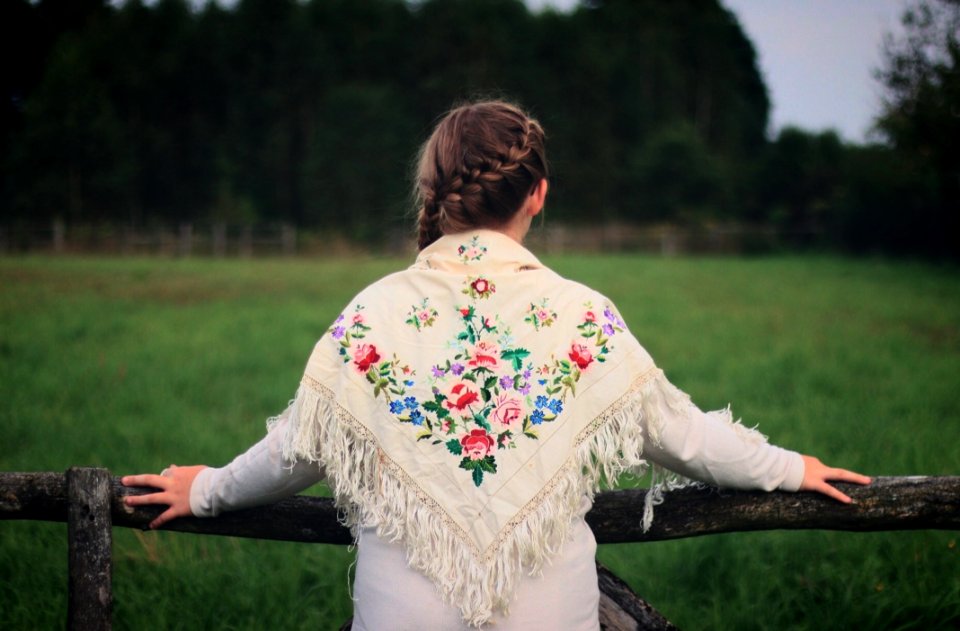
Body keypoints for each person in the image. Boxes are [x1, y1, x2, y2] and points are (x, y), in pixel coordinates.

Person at [122, 100, 870, 630]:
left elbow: (297, 448)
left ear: (433, 194)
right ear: (537, 195)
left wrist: (208, 489)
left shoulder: (373, 311)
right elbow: (688, 438)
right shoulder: (583, 314)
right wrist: (790, 466)